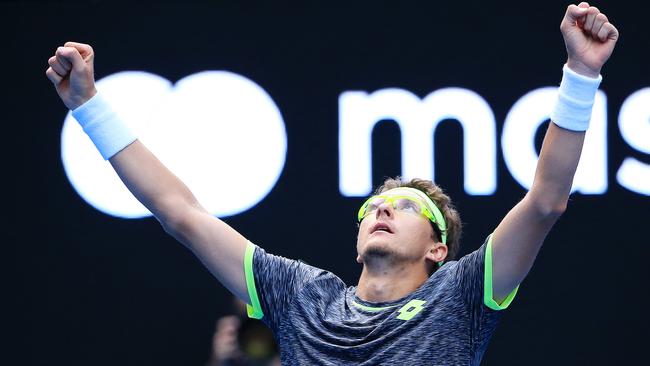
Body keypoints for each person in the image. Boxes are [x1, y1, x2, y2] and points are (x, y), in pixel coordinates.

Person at [46, 2, 618, 364]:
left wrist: (582, 73)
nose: (382, 210)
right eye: (374, 206)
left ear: (439, 248)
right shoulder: (302, 296)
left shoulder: (463, 296)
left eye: (405, 206)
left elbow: (545, 201)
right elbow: (181, 213)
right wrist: (87, 105)